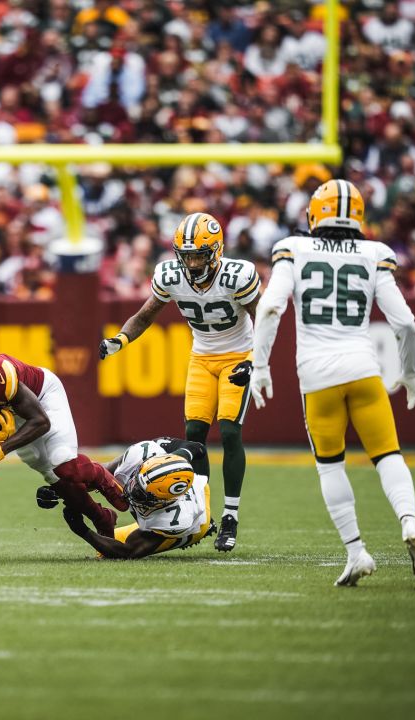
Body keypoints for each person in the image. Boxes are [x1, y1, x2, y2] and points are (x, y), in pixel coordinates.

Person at [249, 179, 415, 587]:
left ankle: (356, 552)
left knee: (330, 466)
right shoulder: (374, 254)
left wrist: (259, 366)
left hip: (317, 378)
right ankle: (409, 521)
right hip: (363, 370)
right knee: (388, 455)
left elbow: (270, 307)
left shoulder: (293, 249)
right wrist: (410, 372)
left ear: (315, 214)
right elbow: (404, 322)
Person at [99, 212, 261, 553]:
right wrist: (120, 340)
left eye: (199, 254)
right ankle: (204, 511)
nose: (192, 261)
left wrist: (258, 363)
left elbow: (265, 320)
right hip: (201, 357)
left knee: (230, 431)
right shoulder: (171, 275)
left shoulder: (237, 275)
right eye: (186, 255)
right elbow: (145, 315)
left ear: (215, 252)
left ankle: (231, 516)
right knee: (195, 436)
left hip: (239, 355)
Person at [0, 353, 128, 537]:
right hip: (13, 418)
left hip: (41, 397)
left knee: (63, 464)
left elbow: (41, 421)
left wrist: (3, 448)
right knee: (57, 480)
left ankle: (104, 477)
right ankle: (102, 518)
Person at [54, 438, 215, 559]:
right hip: (171, 479)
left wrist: (82, 530)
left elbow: (127, 551)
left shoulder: (175, 519)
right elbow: (99, 475)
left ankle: (208, 525)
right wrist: (60, 488)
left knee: (104, 551)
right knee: (105, 543)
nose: (131, 490)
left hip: (197, 523)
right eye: (137, 482)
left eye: (140, 493)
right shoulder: (142, 454)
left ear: (163, 501)